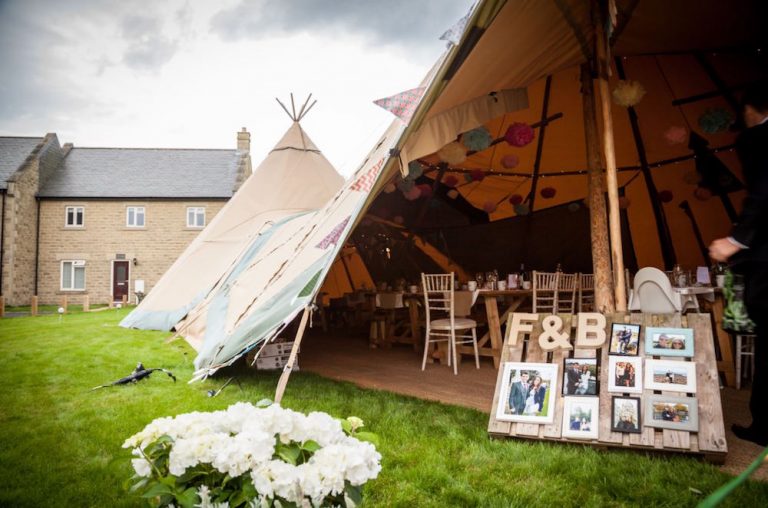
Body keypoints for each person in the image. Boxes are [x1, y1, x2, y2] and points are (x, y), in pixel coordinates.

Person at [709, 84, 768, 446]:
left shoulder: (759, 139)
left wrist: (736, 240)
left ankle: (764, 427)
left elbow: (764, 193)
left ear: (750, 109)